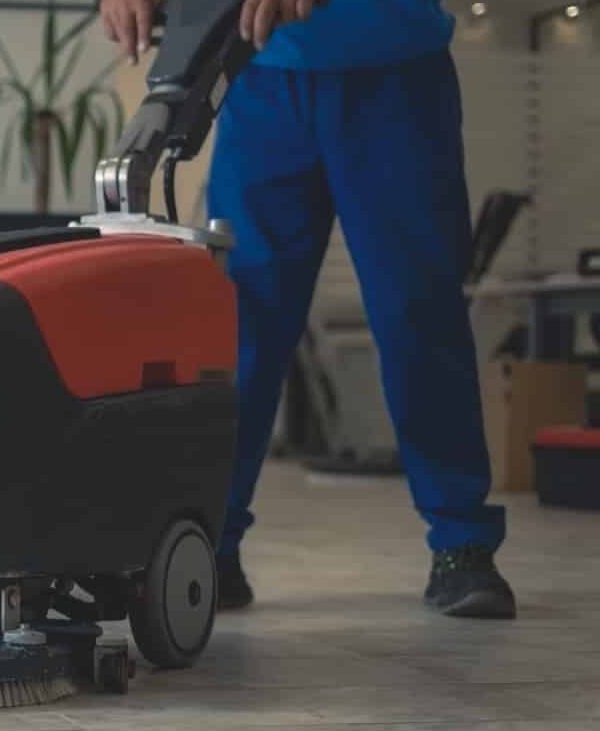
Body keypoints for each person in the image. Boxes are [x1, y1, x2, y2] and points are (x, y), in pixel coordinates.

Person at [100, 0, 515, 618]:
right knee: (241, 325)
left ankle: (462, 544)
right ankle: (211, 544)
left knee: (417, 314)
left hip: (394, 71)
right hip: (260, 77)